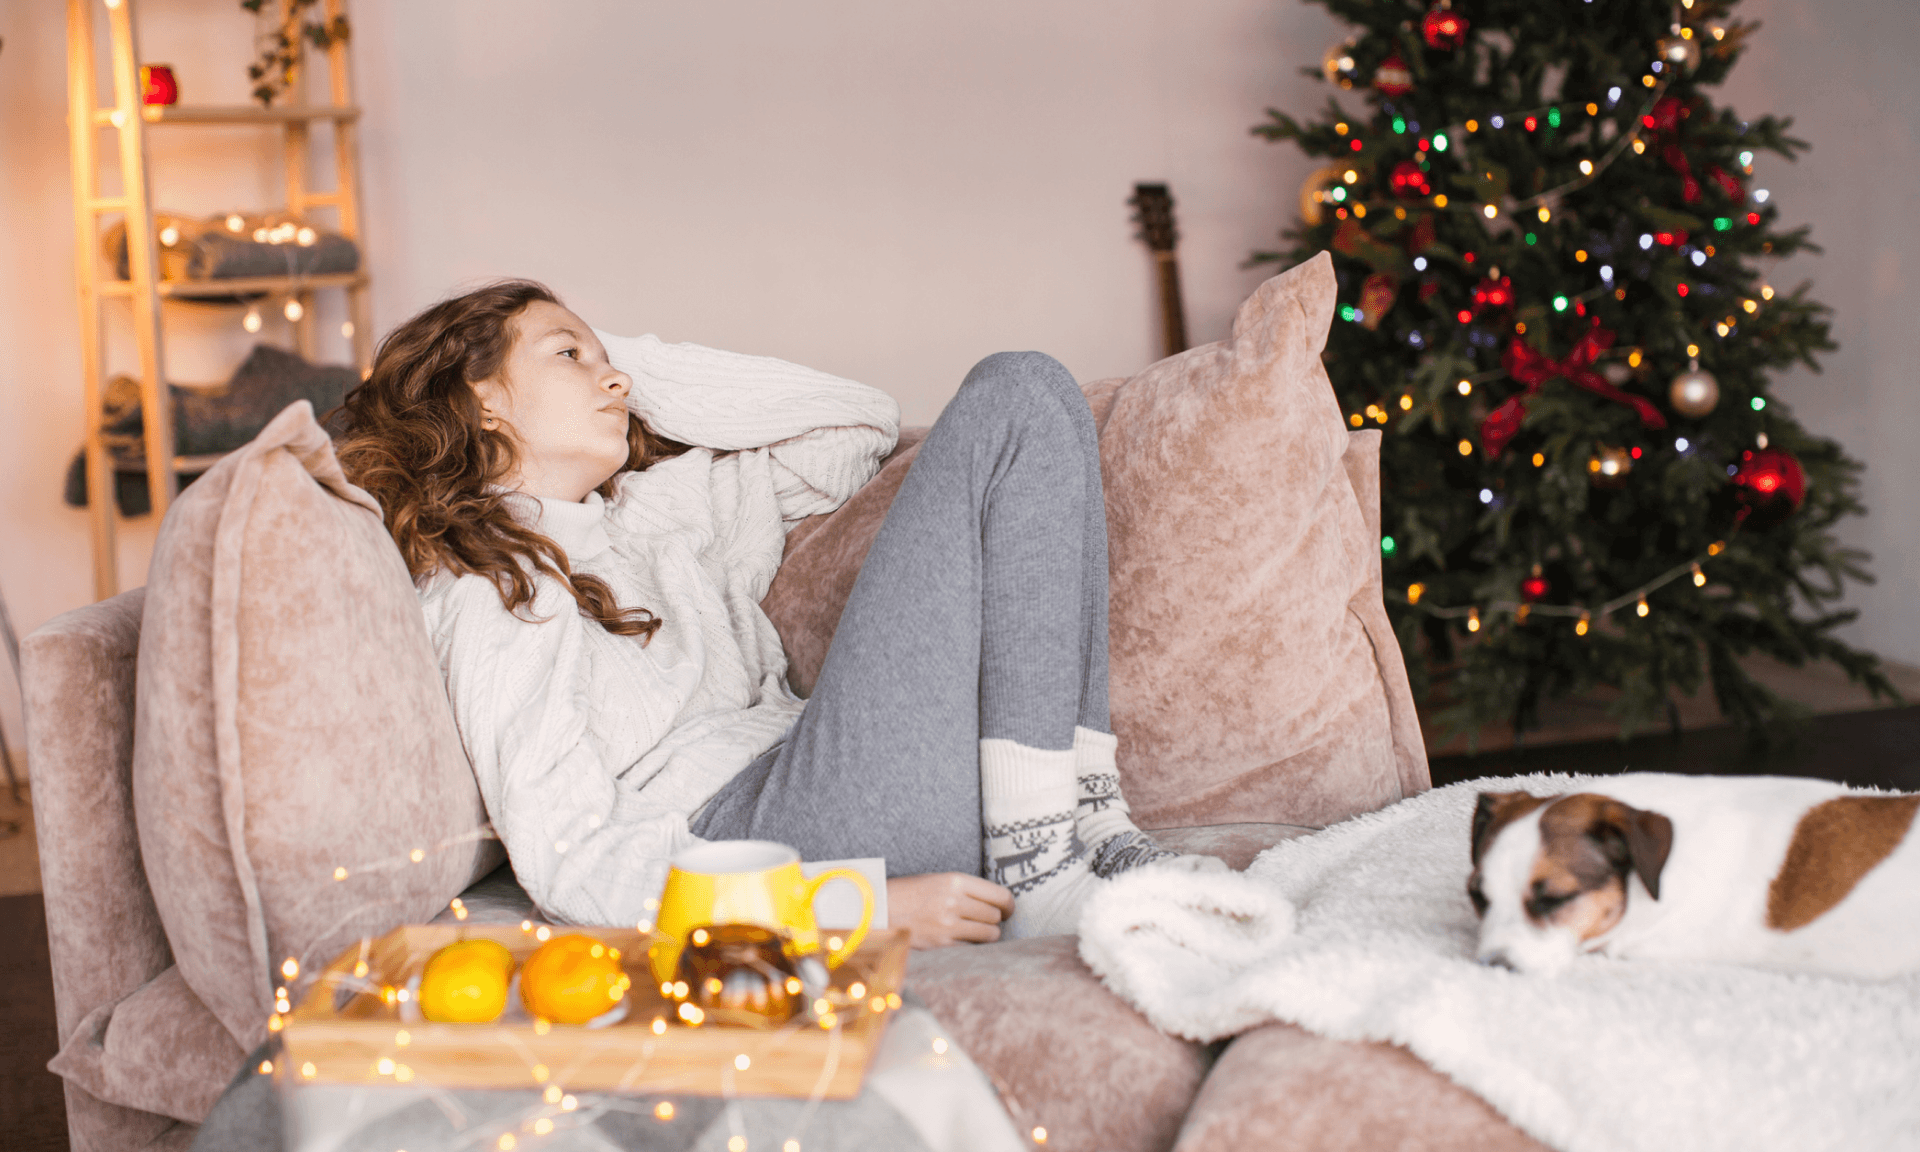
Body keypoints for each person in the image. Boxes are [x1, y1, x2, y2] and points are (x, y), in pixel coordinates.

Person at [335, 279, 1215, 949]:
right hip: (771, 833)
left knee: (1045, 394)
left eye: (611, 363)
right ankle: (1039, 859)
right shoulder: (492, 583)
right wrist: (849, 906)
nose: (614, 380)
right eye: (568, 356)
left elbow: (853, 427)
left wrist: (620, 359)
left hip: (830, 774)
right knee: (1012, 392)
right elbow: (570, 858)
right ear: (482, 399)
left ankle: (1087, 818)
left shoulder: (664, 509)